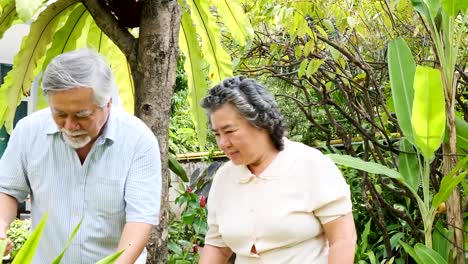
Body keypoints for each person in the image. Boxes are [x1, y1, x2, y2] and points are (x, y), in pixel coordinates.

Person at [0, 49, 161, 263]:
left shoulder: (138, 140)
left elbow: (140, 220)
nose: (70, 125)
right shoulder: (29, 131)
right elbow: (7, 190)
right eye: (59, 114)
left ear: (108, 104)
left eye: (81, 115)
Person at [198, 76, 357, 263]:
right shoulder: (224, 178)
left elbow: (343, 239)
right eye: (217, 134)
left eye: (230, 131)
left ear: (260, 123)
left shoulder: (310, 164)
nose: (223, 143)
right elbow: (217, 246)